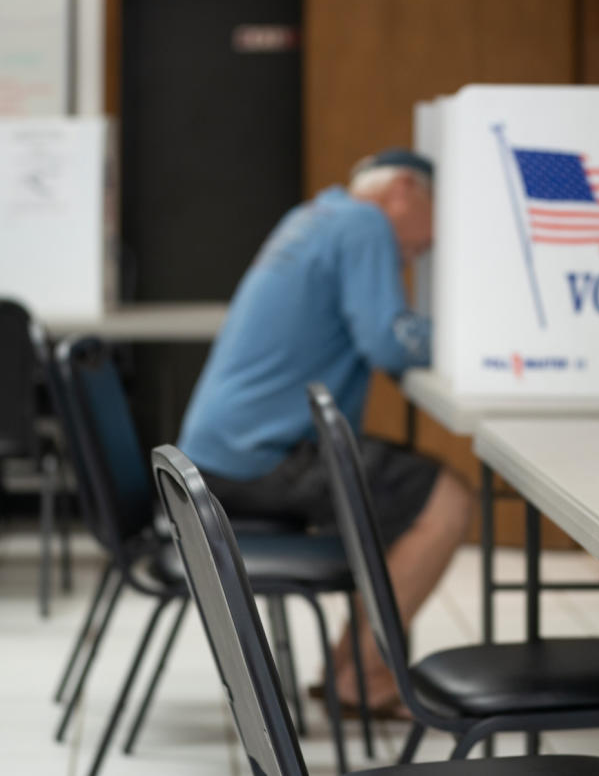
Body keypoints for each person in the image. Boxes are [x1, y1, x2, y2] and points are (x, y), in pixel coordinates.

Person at [178, 148, 473, 715]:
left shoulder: (314, 217)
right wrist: (476, 338)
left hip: (216, 453)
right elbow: (386, 342)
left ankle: (351, 670)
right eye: (437, 221)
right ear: (405, 190)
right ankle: (365, 678)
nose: (427, 247)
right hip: (260, 454)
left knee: (398, 498)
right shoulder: (365, 224)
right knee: (446, 502)